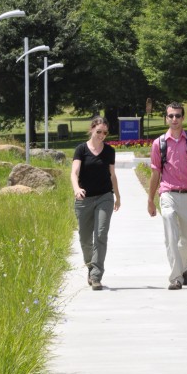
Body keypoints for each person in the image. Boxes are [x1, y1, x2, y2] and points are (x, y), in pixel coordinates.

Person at [148, 102, 187, 290]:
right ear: (166, 118)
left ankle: (182, 267)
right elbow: (155, 174)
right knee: (170, 233)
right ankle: (175, 278)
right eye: (170, 116)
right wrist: (150, 200)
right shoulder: (159, 143)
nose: (174, 119)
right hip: (168, 193)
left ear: (183, 118)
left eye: (177, 116)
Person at [70, 116, 121, 290]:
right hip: (84, 199)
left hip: (105, 197)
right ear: (92, 129)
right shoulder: (81, 149)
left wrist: (118, 196)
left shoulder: (109, 151)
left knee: (101, 234)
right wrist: (76, 189)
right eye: (99, 131)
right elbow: (74, 173)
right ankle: (90, 265)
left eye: (105, 133)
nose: (101, 135)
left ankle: (96, 275)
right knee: (85, 239)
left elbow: (112, 175)